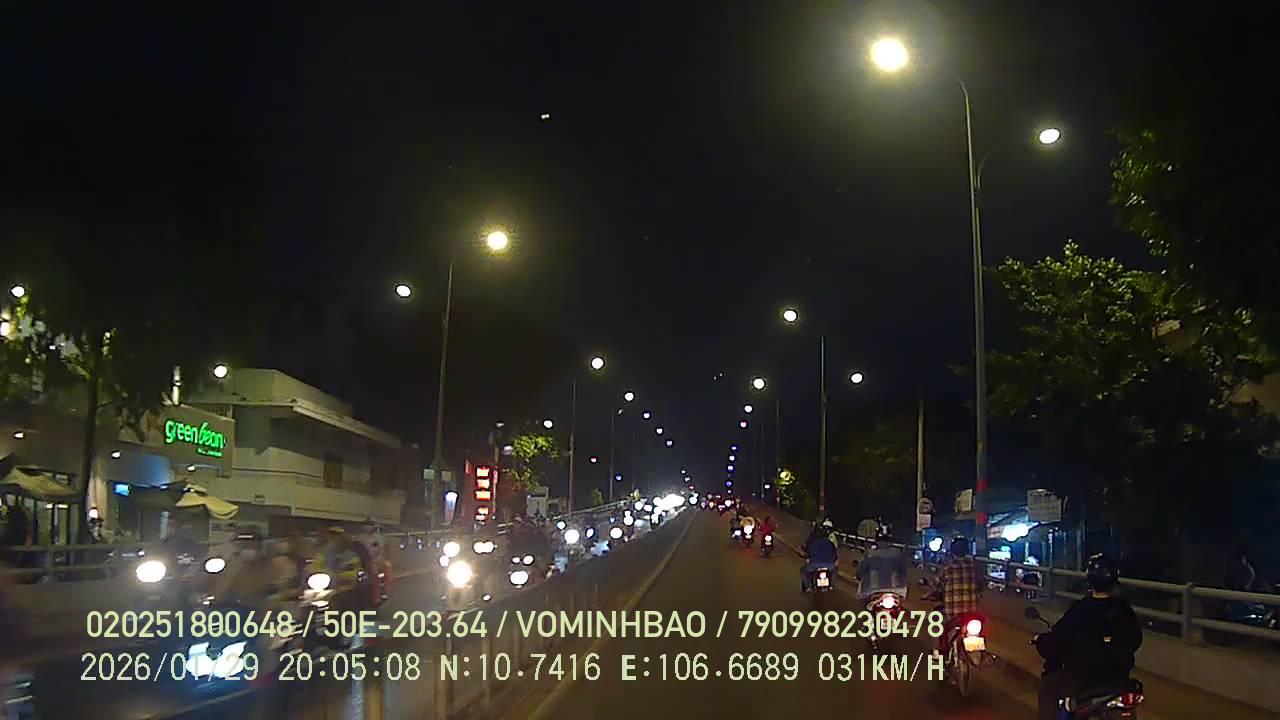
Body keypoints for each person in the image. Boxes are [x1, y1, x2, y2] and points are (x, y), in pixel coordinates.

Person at [1034, 553, 1143, 720]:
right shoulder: (1123, 610)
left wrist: (1041, 641)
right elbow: (1136, 640)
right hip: (1118, 679)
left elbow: (1055, 643)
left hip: (1081, 679)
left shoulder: (1081, 610)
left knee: (1048, 688)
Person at [930, 537, 982, 652]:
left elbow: (936, 585)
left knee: (936, 621)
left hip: (953, 613)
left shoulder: (947, 568)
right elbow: (981, 584)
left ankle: (937, 651)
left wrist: (932, 594)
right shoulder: (974, 567)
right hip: (972, 611)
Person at [856, 531, 909, 602]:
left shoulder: (869, 553)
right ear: (890, 541)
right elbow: (903, 572)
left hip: (872, 591)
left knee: (863, 602)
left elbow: (861, 570)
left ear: (877, 541)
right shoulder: (898, 553)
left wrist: (858, 576)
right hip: (895, 591)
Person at [801, 522, 839, 592]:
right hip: (829, 565)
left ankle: (807, 587)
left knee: (803, 571)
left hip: (814, 565)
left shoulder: (813, 543)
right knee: (835, 571)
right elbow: (835, 554)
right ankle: (831, 585)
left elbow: (808, 552)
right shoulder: (830, 543)